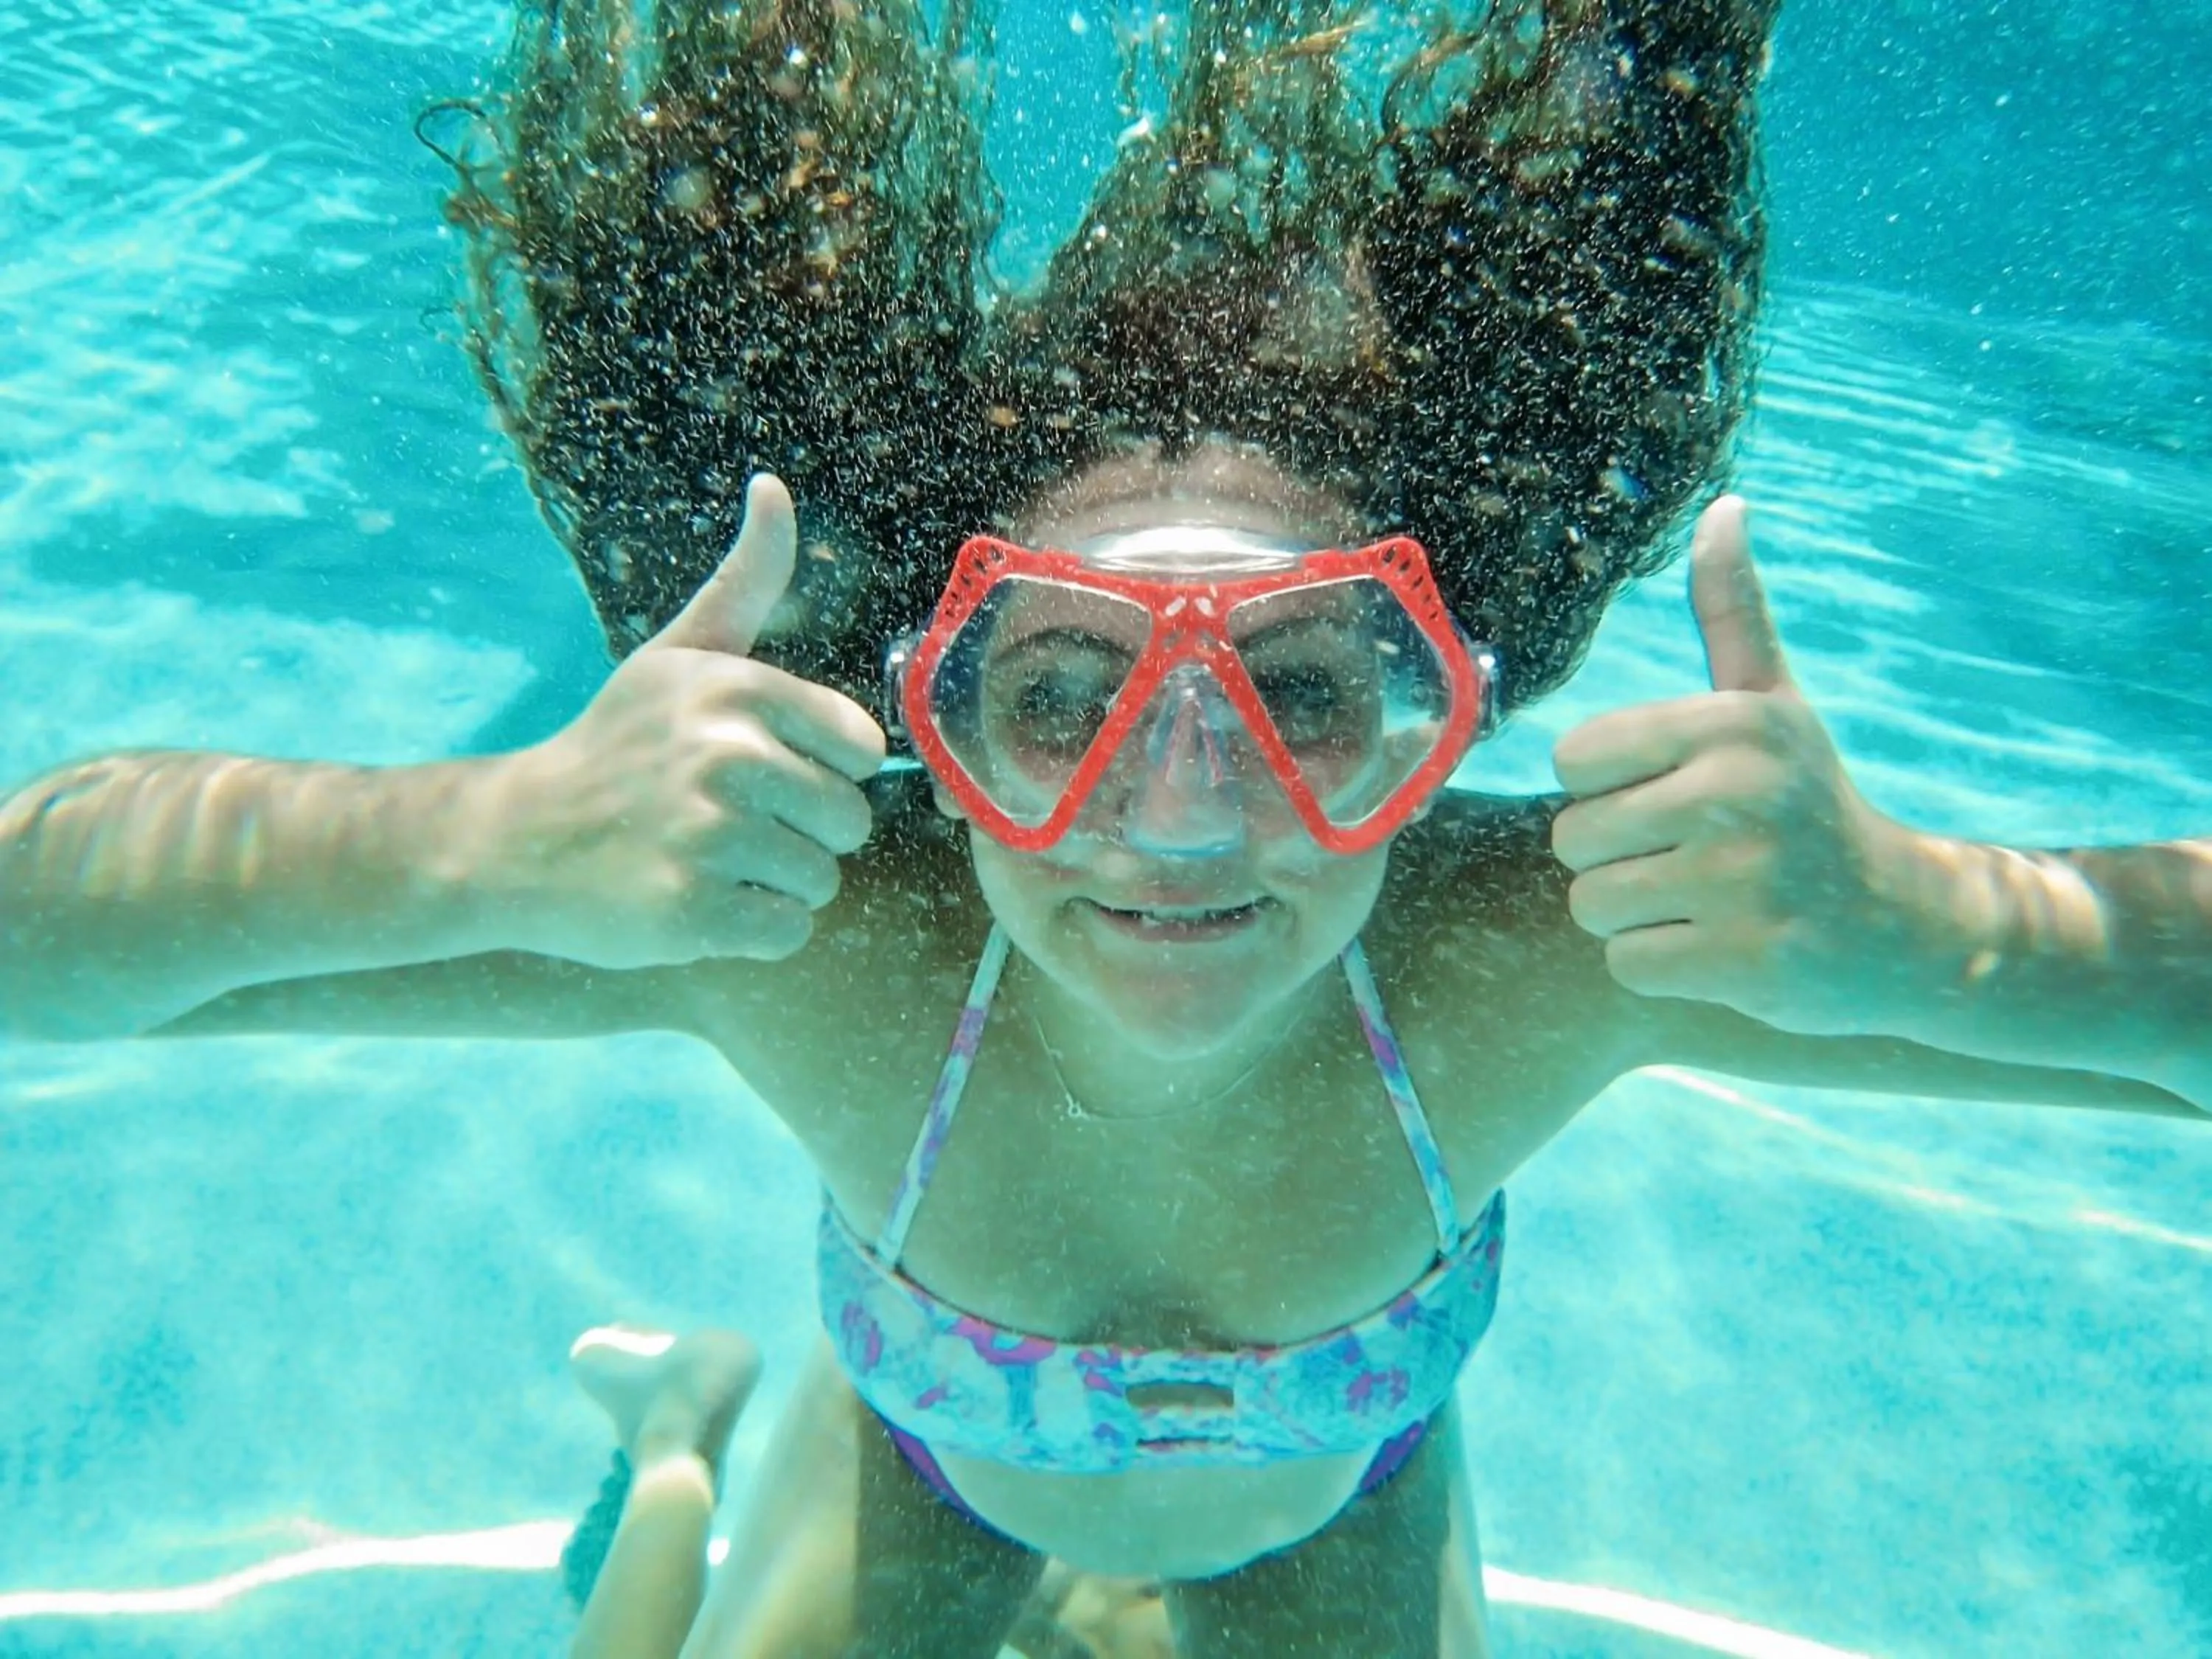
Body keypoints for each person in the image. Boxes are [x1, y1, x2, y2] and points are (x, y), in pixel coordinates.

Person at [0, 1, 2204, 1655]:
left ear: (1443, 716)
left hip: (1331, 1502)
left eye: (1309, 690)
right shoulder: (809, 938)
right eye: (1061, 695)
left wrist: (1939, 928)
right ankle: (680, 1432)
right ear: (926, 723)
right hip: (925, 1467)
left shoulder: (1533, 965)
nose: (1176, 815)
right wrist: (481, 839)